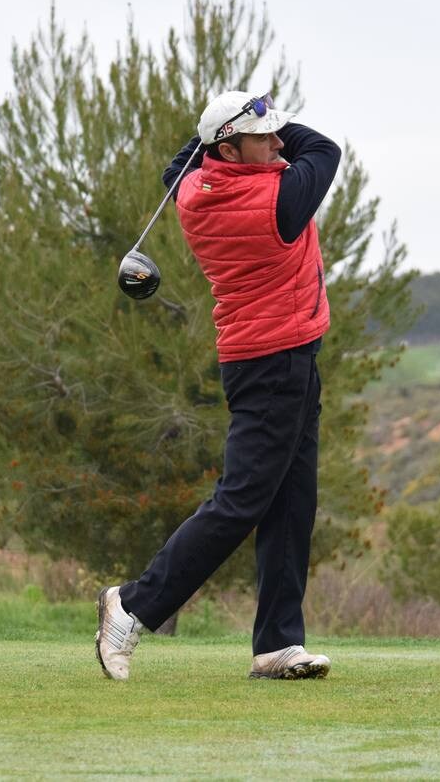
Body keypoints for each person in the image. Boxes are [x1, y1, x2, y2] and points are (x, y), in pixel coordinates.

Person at [96, 90, 341, 681]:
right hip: (273, 361)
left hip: (284, 359)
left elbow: (182, 161)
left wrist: (246, 116)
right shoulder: (276, 202)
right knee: (241, 502)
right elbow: (323, 148)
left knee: (291, 502)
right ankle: (131, 605)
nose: (281, 145)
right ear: (229, 149)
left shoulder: (192, 188)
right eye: (265, 138)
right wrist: (252, 115)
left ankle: (279, 643)